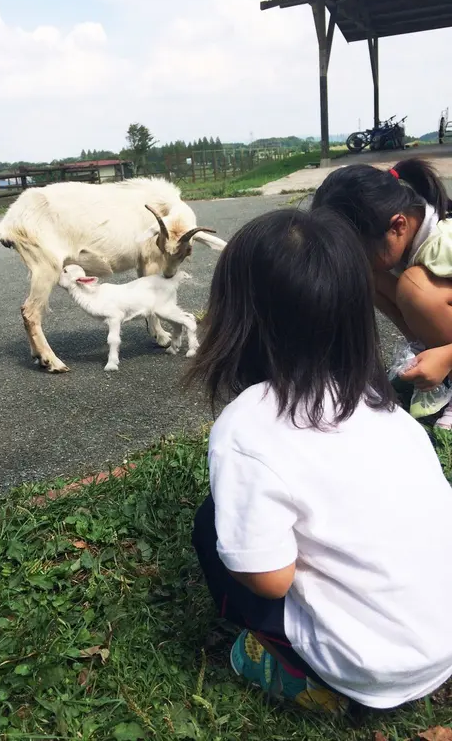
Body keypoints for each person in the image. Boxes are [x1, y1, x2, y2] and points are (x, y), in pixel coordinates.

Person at [188, 209, 452, 713]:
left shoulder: (246, 427)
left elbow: (271, 581)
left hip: (372, 668)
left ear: (235, 319)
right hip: (443, 636)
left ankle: (308, 679)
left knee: (208, 526)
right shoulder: (385, 408)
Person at [311, 157, 452, 428]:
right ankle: (426, 352)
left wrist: (447, 356)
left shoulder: (444, 245)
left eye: (359, 250)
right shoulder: (405, 236)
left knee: (416, 289)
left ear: (397, 226)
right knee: (370, 276)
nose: (353, 260)